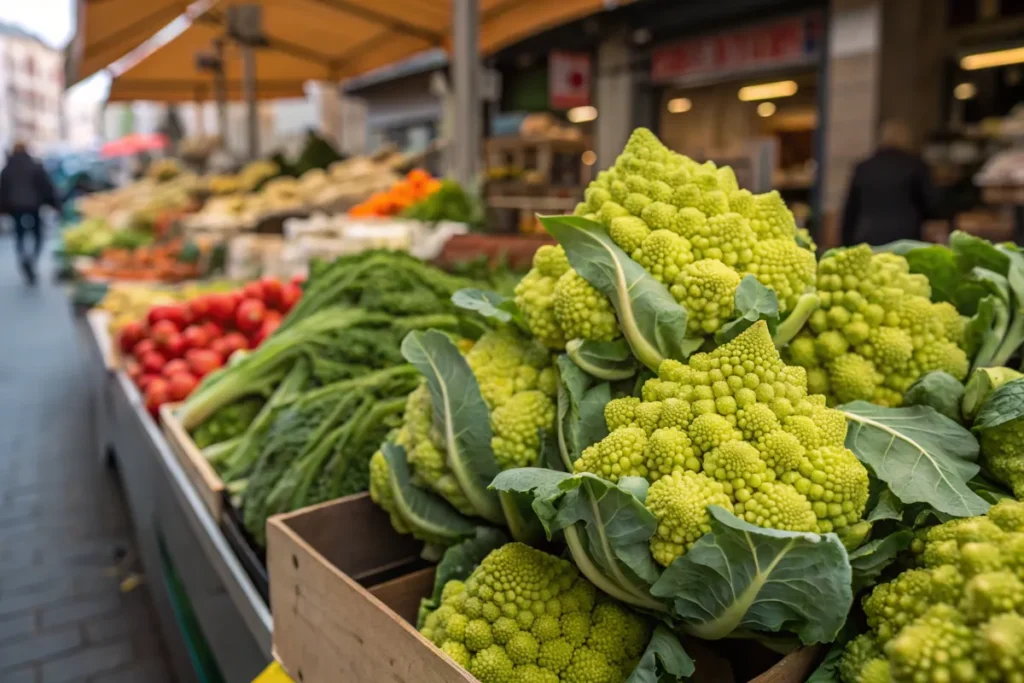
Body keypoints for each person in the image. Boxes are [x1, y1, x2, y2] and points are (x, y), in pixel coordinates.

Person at [841, 119, 941, 246]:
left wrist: (845, 243)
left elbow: (851, 209)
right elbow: (931, 204)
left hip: (866, 235)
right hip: (904, 237)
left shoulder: (863, 167)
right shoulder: (916, 166)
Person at [0, 142, 58, 284]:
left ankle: (23, 258)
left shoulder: (8, 168)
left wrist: (3, 208)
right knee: (38, 234)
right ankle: (32, 258)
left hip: (16, 207)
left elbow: (2, 190)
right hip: (33, 205)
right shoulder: (34, 165)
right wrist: (54, 203)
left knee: (19, 235)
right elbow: (46, 185)